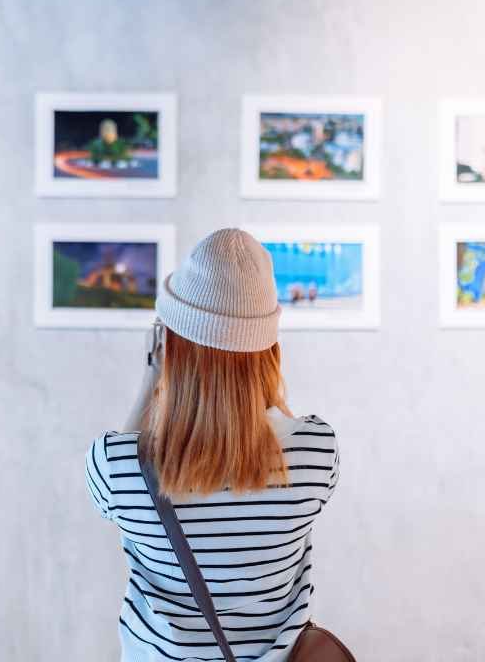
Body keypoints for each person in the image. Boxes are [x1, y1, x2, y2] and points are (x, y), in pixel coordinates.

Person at [86, 228, 339, 662]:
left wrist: (152, 376)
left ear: (169, 346)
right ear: (270, 347)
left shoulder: (117, 466)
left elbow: (129, 447)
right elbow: (280, 434)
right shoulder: (318, 452)